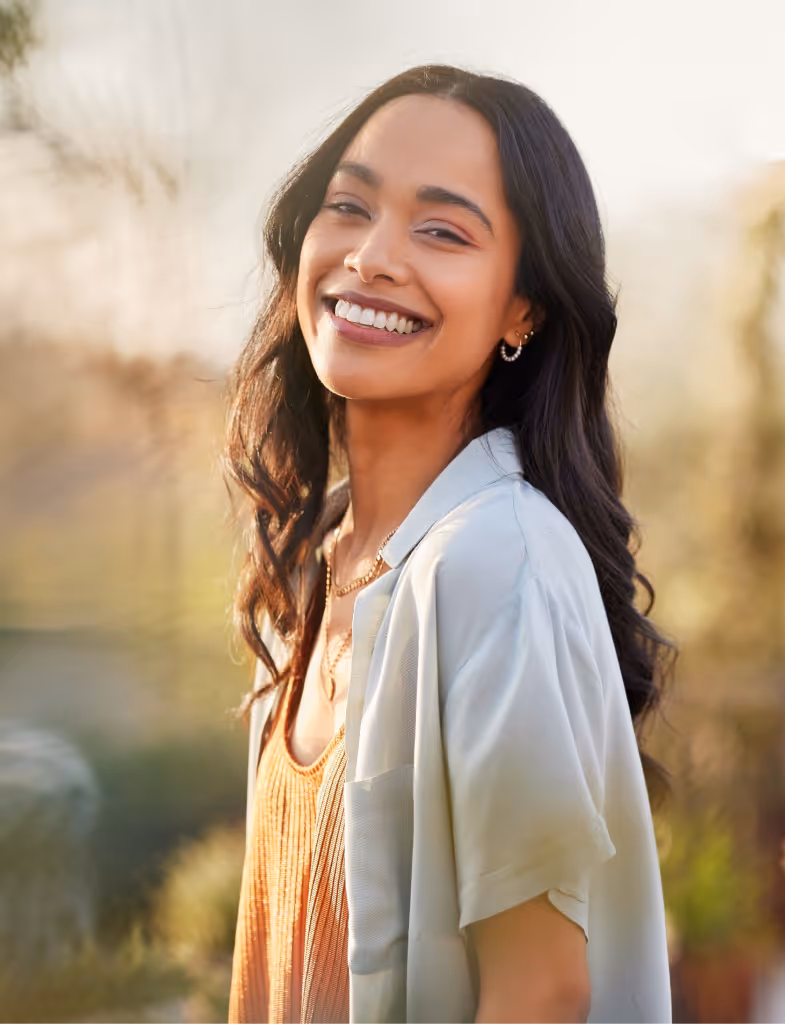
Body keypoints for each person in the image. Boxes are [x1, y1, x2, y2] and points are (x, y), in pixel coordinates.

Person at [223, 63, 677, 1024]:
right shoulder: (313, 561)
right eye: (349, 207)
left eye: (442, 231)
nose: (372, 258)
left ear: (524, 309)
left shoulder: (494, 559)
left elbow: (539, 992)